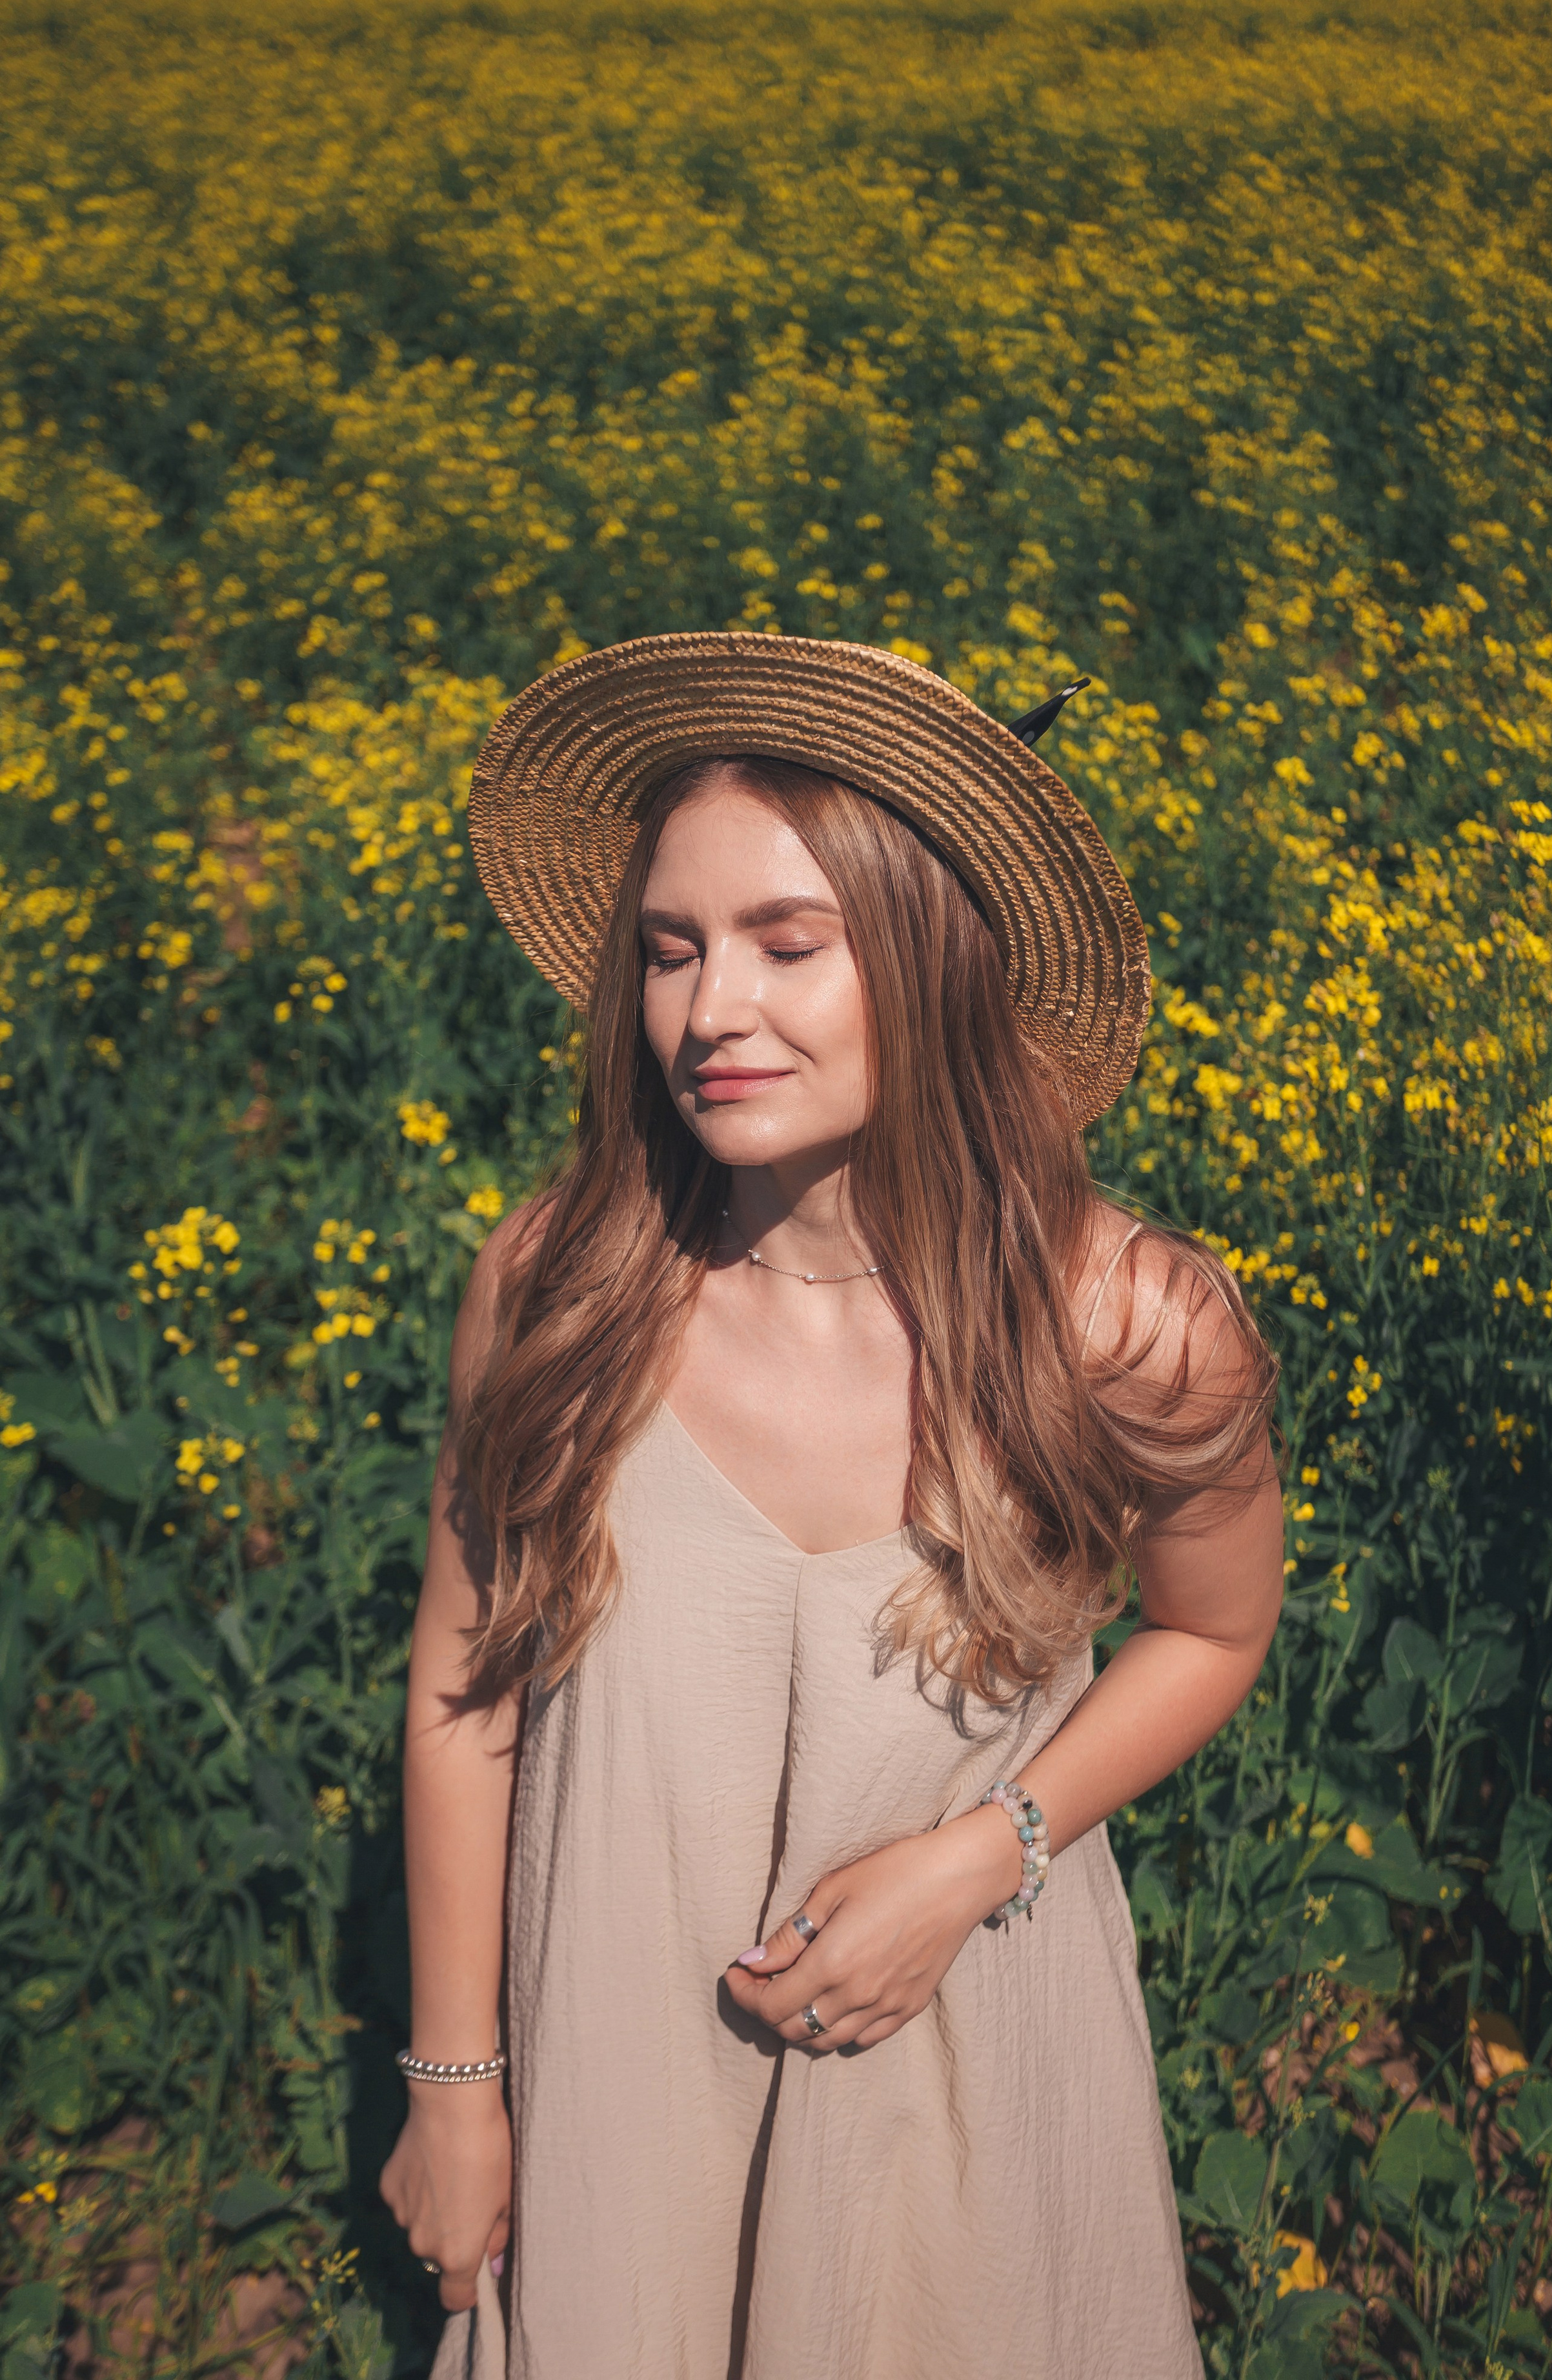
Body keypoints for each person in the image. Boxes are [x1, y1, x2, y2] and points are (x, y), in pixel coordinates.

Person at [379, 632, 1284, 2380]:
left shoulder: (1128, 1329)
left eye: (791, 944)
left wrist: (981, 1859)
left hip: (963, 2060)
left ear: (934, 962)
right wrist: (453, 2084)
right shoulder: (560, 1288)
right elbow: (460, 1688)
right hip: (616, 2064)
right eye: (671, 950)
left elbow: (1216, 1625)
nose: (711, 1011)